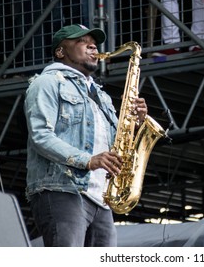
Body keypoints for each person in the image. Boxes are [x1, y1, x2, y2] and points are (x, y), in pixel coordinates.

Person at [24, 24, 148, 247]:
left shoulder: (102, 96)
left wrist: (136, 124)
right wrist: (88, 160)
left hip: (101, 197)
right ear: (61, 52)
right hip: (62, 189)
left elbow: (116, 145)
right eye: (82, 41)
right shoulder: (47, 83)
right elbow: (41, 136)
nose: (93, 45)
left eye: (94, 42)